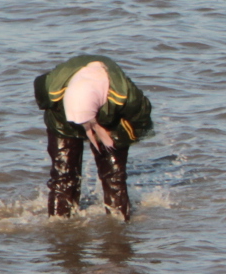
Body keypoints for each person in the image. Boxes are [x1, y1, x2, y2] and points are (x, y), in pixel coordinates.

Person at [33, 54, 155, 220]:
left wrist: (122, 139)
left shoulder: (126, 96)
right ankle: (59, 225)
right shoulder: (50, 89)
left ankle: (118, 225)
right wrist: (77, 121)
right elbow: (41, 95)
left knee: (114, 176)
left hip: (109, 118)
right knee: (63, 175)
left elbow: (142, 119)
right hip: (63, 117)